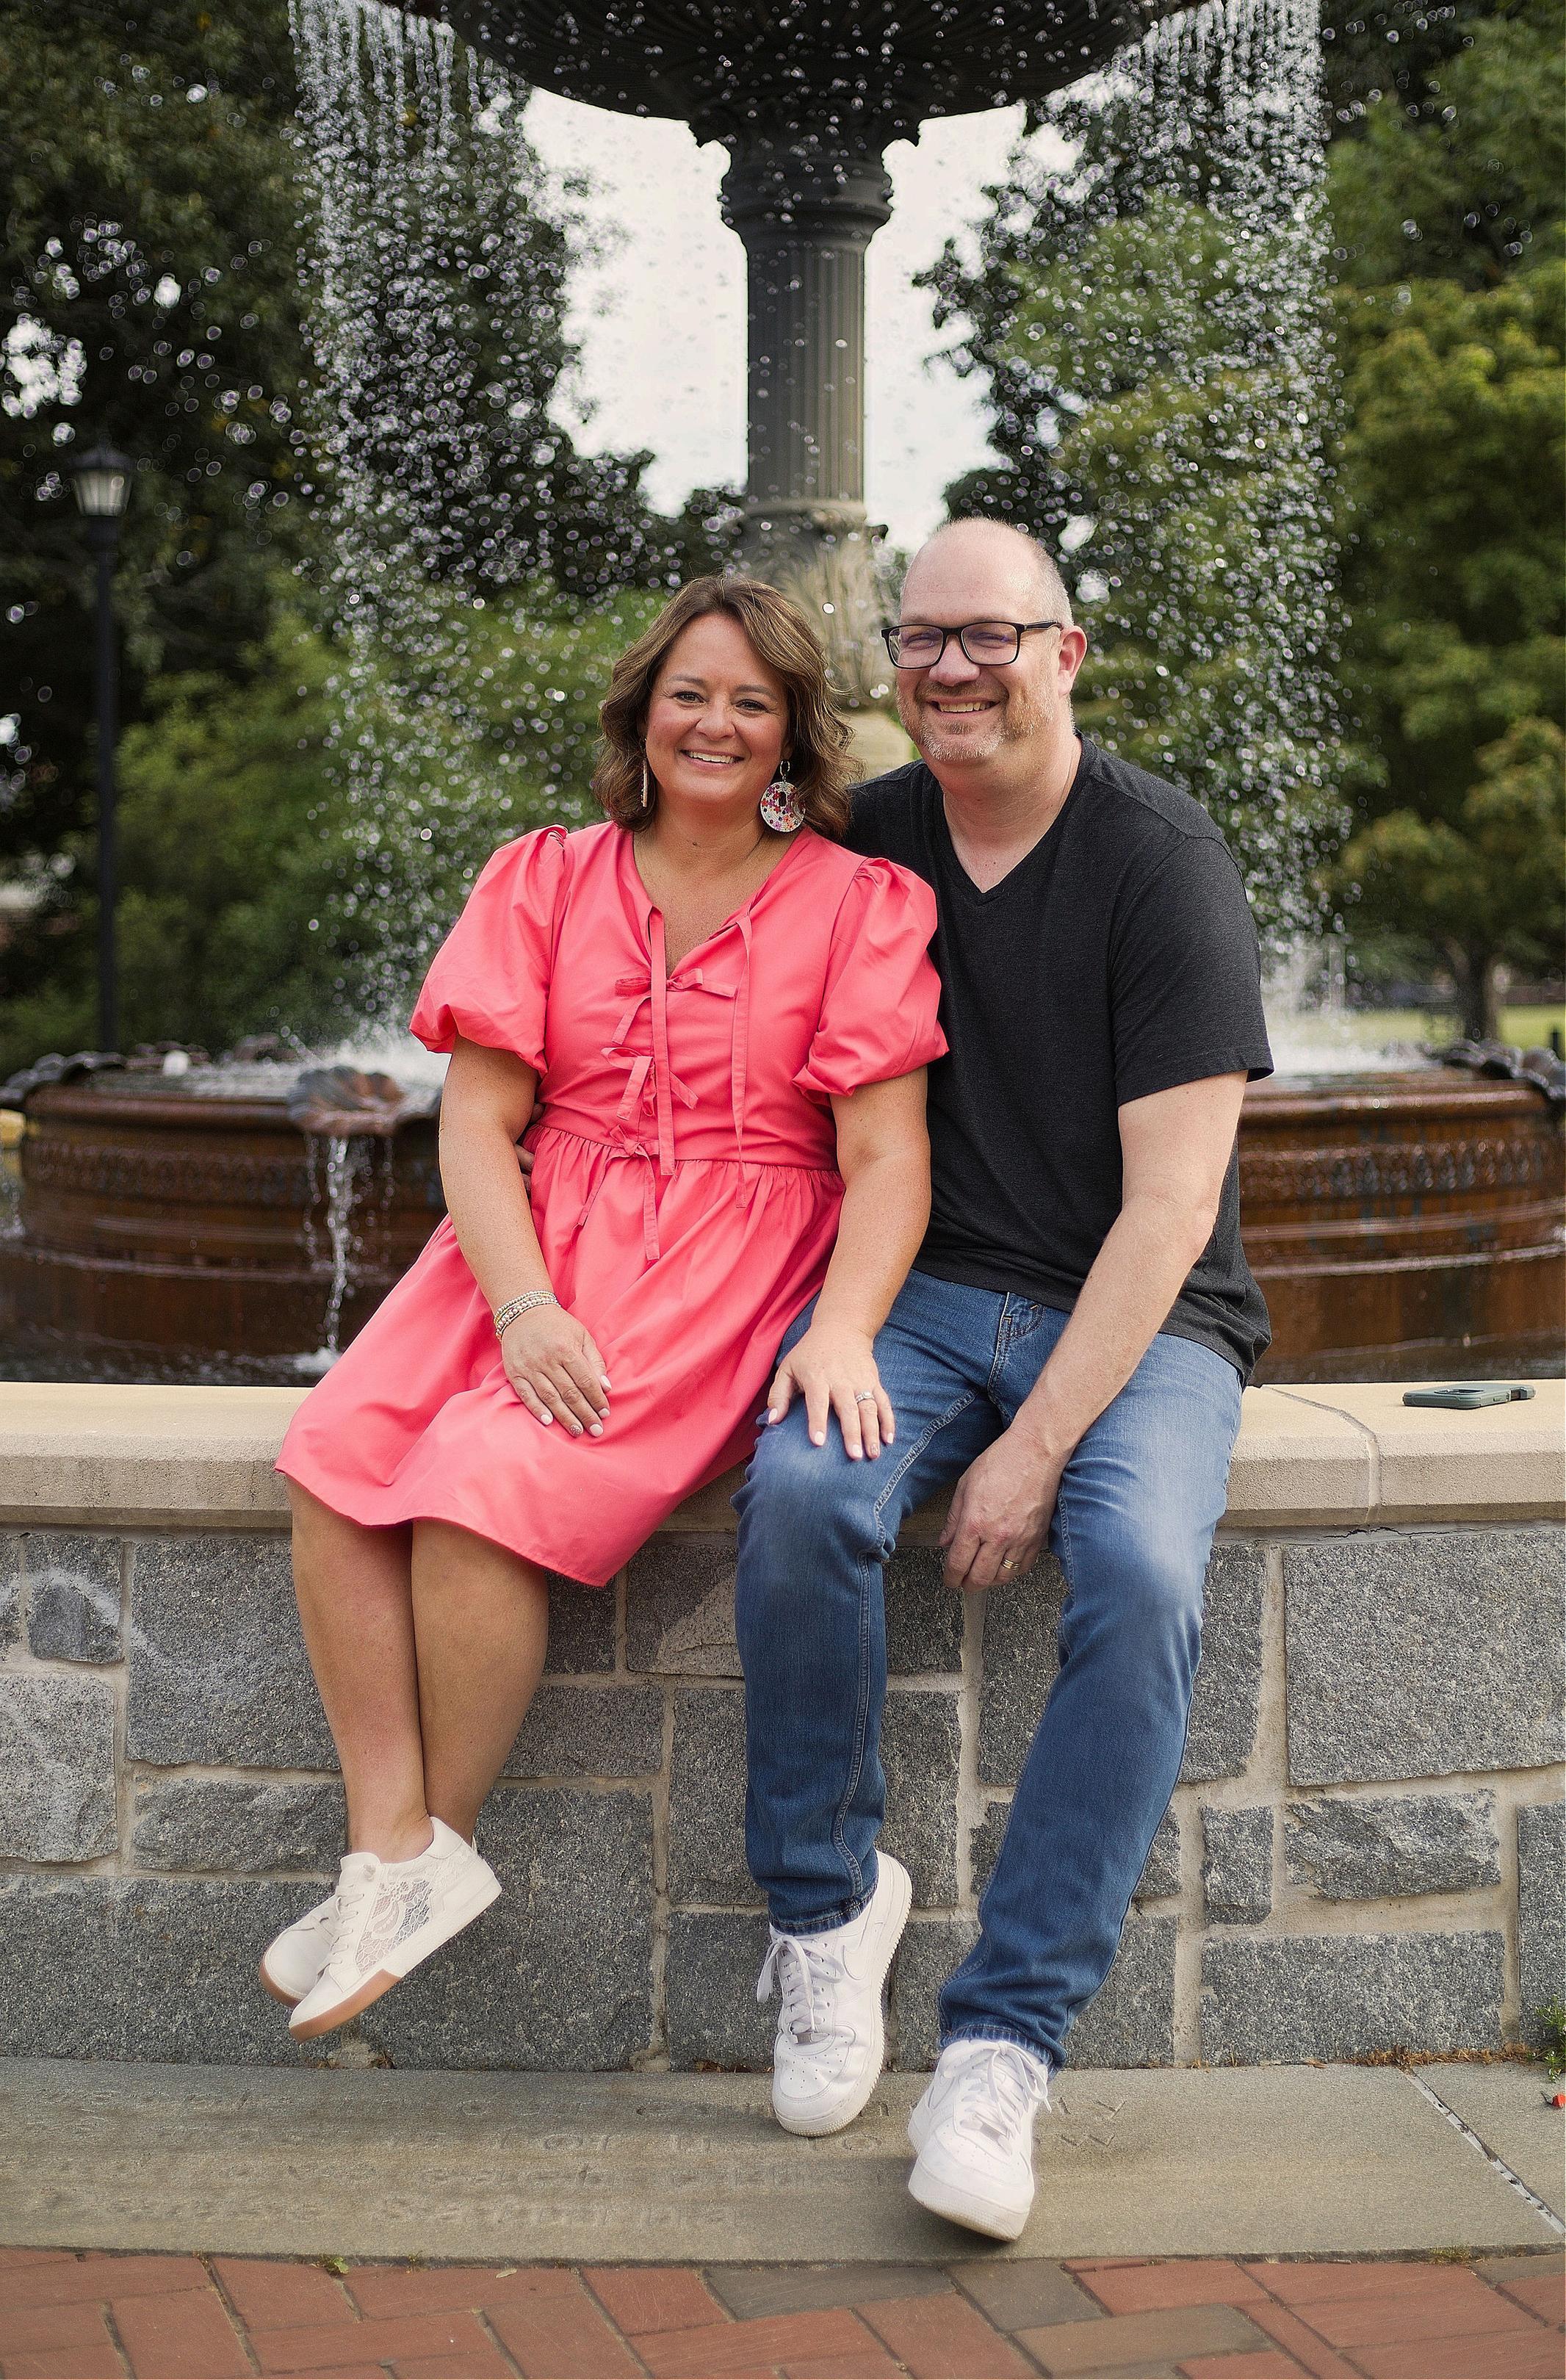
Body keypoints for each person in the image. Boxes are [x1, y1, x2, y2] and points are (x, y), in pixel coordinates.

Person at [266, 577, 946, 2043]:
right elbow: (476, 1125)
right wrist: (522, 1304)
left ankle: (435, 1849)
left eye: (751, 702)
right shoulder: (544, 877)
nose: (715, 724)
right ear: (643, 713)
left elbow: (888, 1157)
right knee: (334, 1457)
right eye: (689, 694)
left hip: (723, 1263)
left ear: (792, 734)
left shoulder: (860, 903)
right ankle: (390, 1855)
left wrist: (842, 1327)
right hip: (530, 1244)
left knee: (474, 1485)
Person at [735, 518, 1273, 2238]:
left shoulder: (1159, 862)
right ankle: (826, 1913)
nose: (953, 667)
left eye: (992, 635)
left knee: (1140, 1576)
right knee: (801, 1491)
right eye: (923, 637)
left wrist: (1036, 1448)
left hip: (1149, 1319)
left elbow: (1171, 1212)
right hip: (928, 1295)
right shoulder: (870, 835)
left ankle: (1002, 2046)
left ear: (1064, 652)